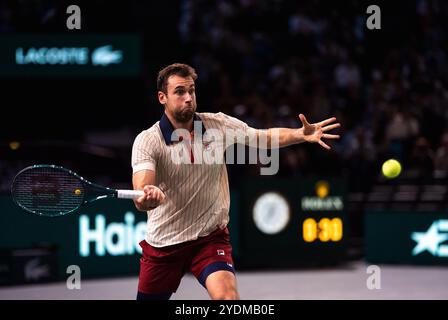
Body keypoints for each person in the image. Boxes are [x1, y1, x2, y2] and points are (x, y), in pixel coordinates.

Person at [131, 63, 340, 300]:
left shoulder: (217, 125)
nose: (188, 98)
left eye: (192, 90)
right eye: (180, 91)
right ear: (162, 97)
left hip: (209, 239)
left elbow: (262, 137)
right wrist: (148, 197)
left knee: (228, 299)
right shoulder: (147, 141)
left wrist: (300, 134)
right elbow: (142, 193)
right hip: (164, 244)